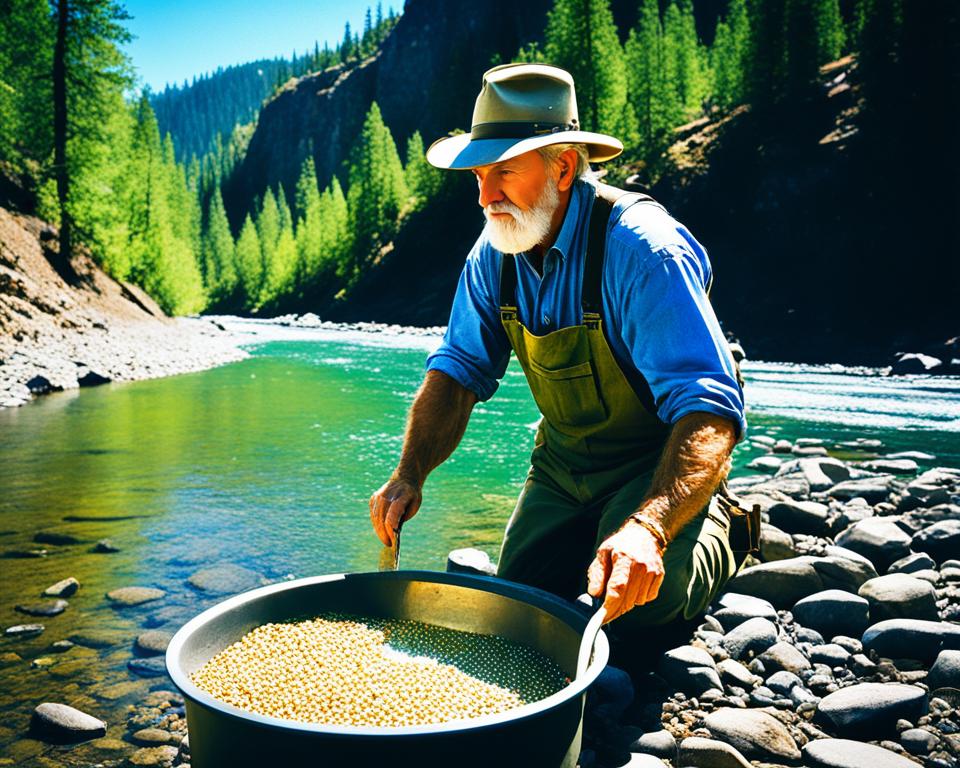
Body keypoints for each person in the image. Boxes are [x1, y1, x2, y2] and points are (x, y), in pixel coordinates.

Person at [369, 63, 751, 637]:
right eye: (477, 175)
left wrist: (648, 526)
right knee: (521, 607)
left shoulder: (646, 252)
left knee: (640, 609)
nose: (485, 196)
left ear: (565, 166)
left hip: (658, 456)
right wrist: (408, 474)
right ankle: (607, 531)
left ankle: (727, 524)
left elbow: (710, 408)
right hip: (563, 461)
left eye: (503, 172)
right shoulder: (493, 252)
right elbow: (456, 372)